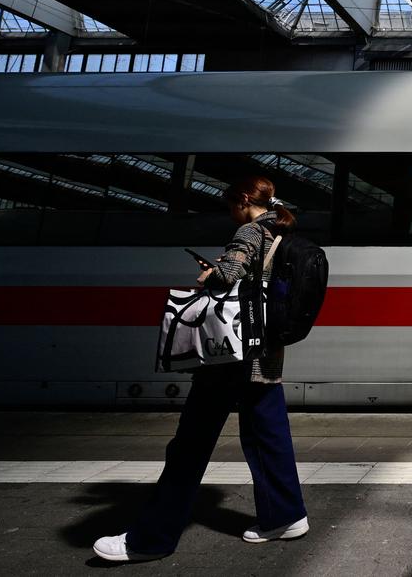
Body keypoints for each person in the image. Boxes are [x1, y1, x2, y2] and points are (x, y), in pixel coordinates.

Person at [93, 176, 309, 562]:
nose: (231, 214)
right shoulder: (280, 227)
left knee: (189, 446)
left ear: (244, 200)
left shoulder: (250, 229)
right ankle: (286, 515)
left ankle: (150, 539)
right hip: (264, 353)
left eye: (230, 206)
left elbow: (231, 273)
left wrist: (212, 272)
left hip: (230, 357)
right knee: (267, 436)